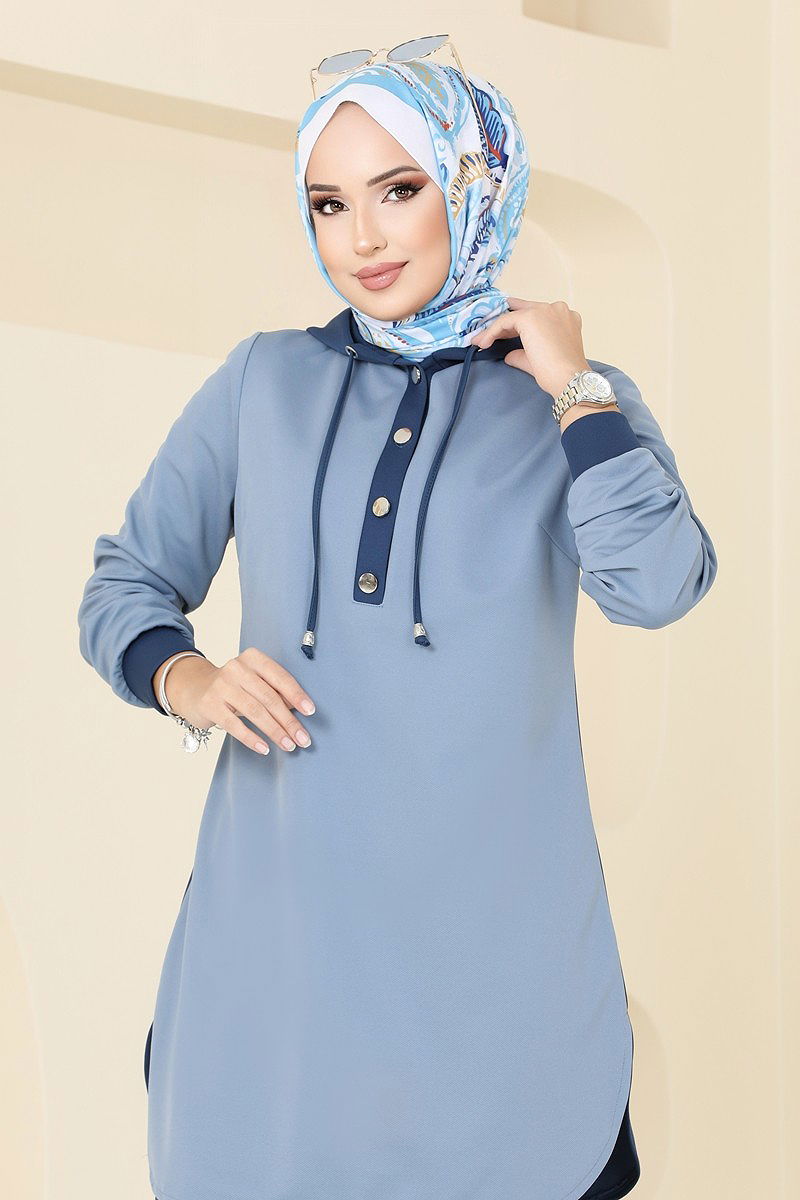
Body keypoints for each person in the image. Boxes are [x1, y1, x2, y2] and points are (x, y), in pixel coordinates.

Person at [77, 48, 717, 1200]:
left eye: (399, 189)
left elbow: (658, 584)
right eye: (328, 204)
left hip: (492, 955)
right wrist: (187, 678)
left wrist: (574, 388)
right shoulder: (263, 382)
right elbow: (126, 580)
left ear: (473, 186)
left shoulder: (571, 400)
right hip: (279, 952)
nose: (361, 238)